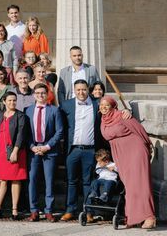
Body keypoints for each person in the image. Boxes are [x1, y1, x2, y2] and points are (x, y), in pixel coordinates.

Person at [99, 96, 156, 229]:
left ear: (113, 106)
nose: (104, 107)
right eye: (101, 105)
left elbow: (140, 130)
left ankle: (149, 217)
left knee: (141, 184)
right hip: (122, 156)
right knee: (130, 186)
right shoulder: (103, 120)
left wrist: (147, 148)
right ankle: (133, 217)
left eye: (107, 105)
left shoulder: (121, 115)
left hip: (136, 151)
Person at [59, 79, 107, 222]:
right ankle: (70, 210)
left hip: (90, 150)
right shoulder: (66, 105)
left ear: (88, 90)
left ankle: (89, 212)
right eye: (78, 90)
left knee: (88, 182)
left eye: (84, 89)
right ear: (74, 90)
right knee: (71, 181)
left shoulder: (96, 104)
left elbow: (110, 111)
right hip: (72, 150)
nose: (81, 92)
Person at [25, 83, 64, 222]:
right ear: (34, 95)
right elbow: (26, 133)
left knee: (49, 181)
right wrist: (32, 147)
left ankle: (49, 211)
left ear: (47, 95)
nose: (40, 95)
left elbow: (59, 132)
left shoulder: (54, 110)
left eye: (43, 93)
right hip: (33, 150)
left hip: (50, 150)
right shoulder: (28, 110)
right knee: (33, 181)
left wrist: (47, 146)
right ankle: (34, 210)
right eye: (38, 93)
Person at [0, 91, 27, 220]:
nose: (12, 103)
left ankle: (14, 209)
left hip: (15, 149)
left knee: (15, 179)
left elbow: (21, 134)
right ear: (4, 101)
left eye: (14, 100)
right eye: (9, 100)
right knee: (2, 179)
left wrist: (15, 151)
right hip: (1, 150)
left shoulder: (20, 115)